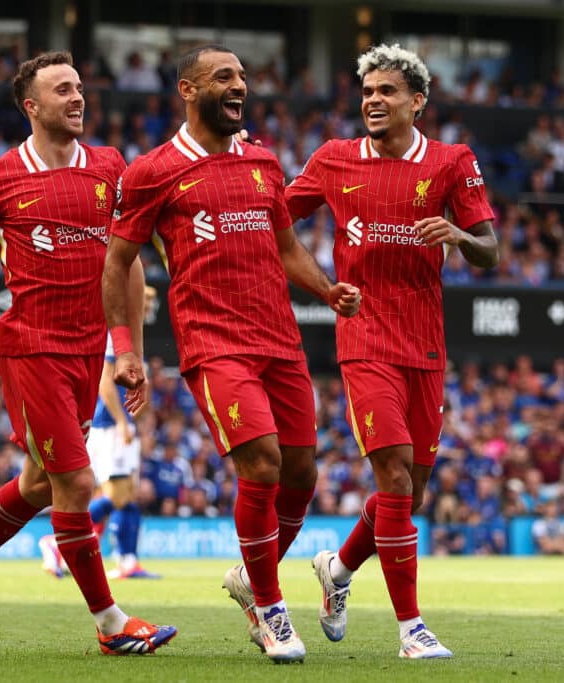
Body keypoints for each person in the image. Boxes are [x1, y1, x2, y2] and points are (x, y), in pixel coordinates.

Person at [101, 44, 360, 663]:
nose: (239, 85)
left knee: (302, 473)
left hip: (280, 339)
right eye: (224, 77)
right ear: (188, 89)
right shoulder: (153, 170)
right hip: (214, 344)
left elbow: (287, 246)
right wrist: (124, 349)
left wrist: (327, 288)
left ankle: (250, 577)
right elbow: (117, 261)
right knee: (263, 465)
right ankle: (272, 611)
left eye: (242, 76)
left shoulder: (265, 163)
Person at [0, 50, 175, 655]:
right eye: (62, 89)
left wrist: (129, 351)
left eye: (79, 86)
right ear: (32, 106)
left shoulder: (111, 167)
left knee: (38, 483)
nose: (77, 97)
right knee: (76, 481)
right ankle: (113, 627)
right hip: (31, 347)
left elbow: (130, 265)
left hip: (89, 348)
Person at [284, 43, 498, 659]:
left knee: (413, 494)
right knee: (396, 475)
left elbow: (490, 252)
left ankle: (339, 568)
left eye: (387, 92)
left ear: (417, 102)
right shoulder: (333, 159)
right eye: (368, 92)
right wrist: (324, 286)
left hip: (426, 345)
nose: (373, 101)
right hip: (365, 337)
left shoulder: (453, 163)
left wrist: (458, 234)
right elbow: (274, 220)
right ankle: (411, 629)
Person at [39, 289, 161, 581]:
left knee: (128, 495)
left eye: (150, 302)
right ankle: (55, 542)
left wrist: (141, 424)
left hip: (125, 424)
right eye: (144, 301)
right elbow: (105, 383)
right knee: (117, 495)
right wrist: (121, 422)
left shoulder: (134, 336)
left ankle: (128, 561)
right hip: (109, 424)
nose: (148, 307)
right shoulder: (115, 335)